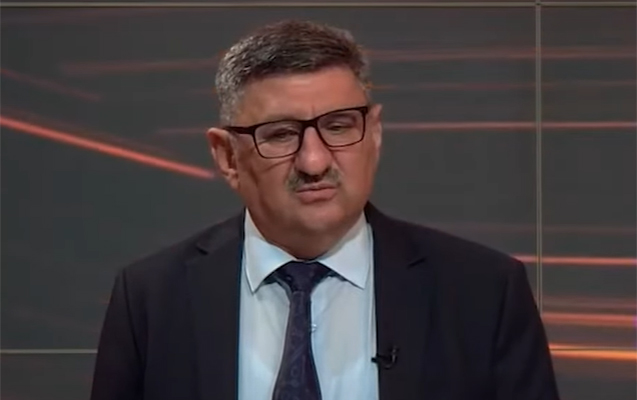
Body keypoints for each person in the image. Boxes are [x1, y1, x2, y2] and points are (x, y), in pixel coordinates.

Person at [90, 19, 560, 400]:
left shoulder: (483, 292)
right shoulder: (152, 298)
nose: (314, 162)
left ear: (374, 134)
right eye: (280, 134)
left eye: (338, 126)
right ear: (227, 156)